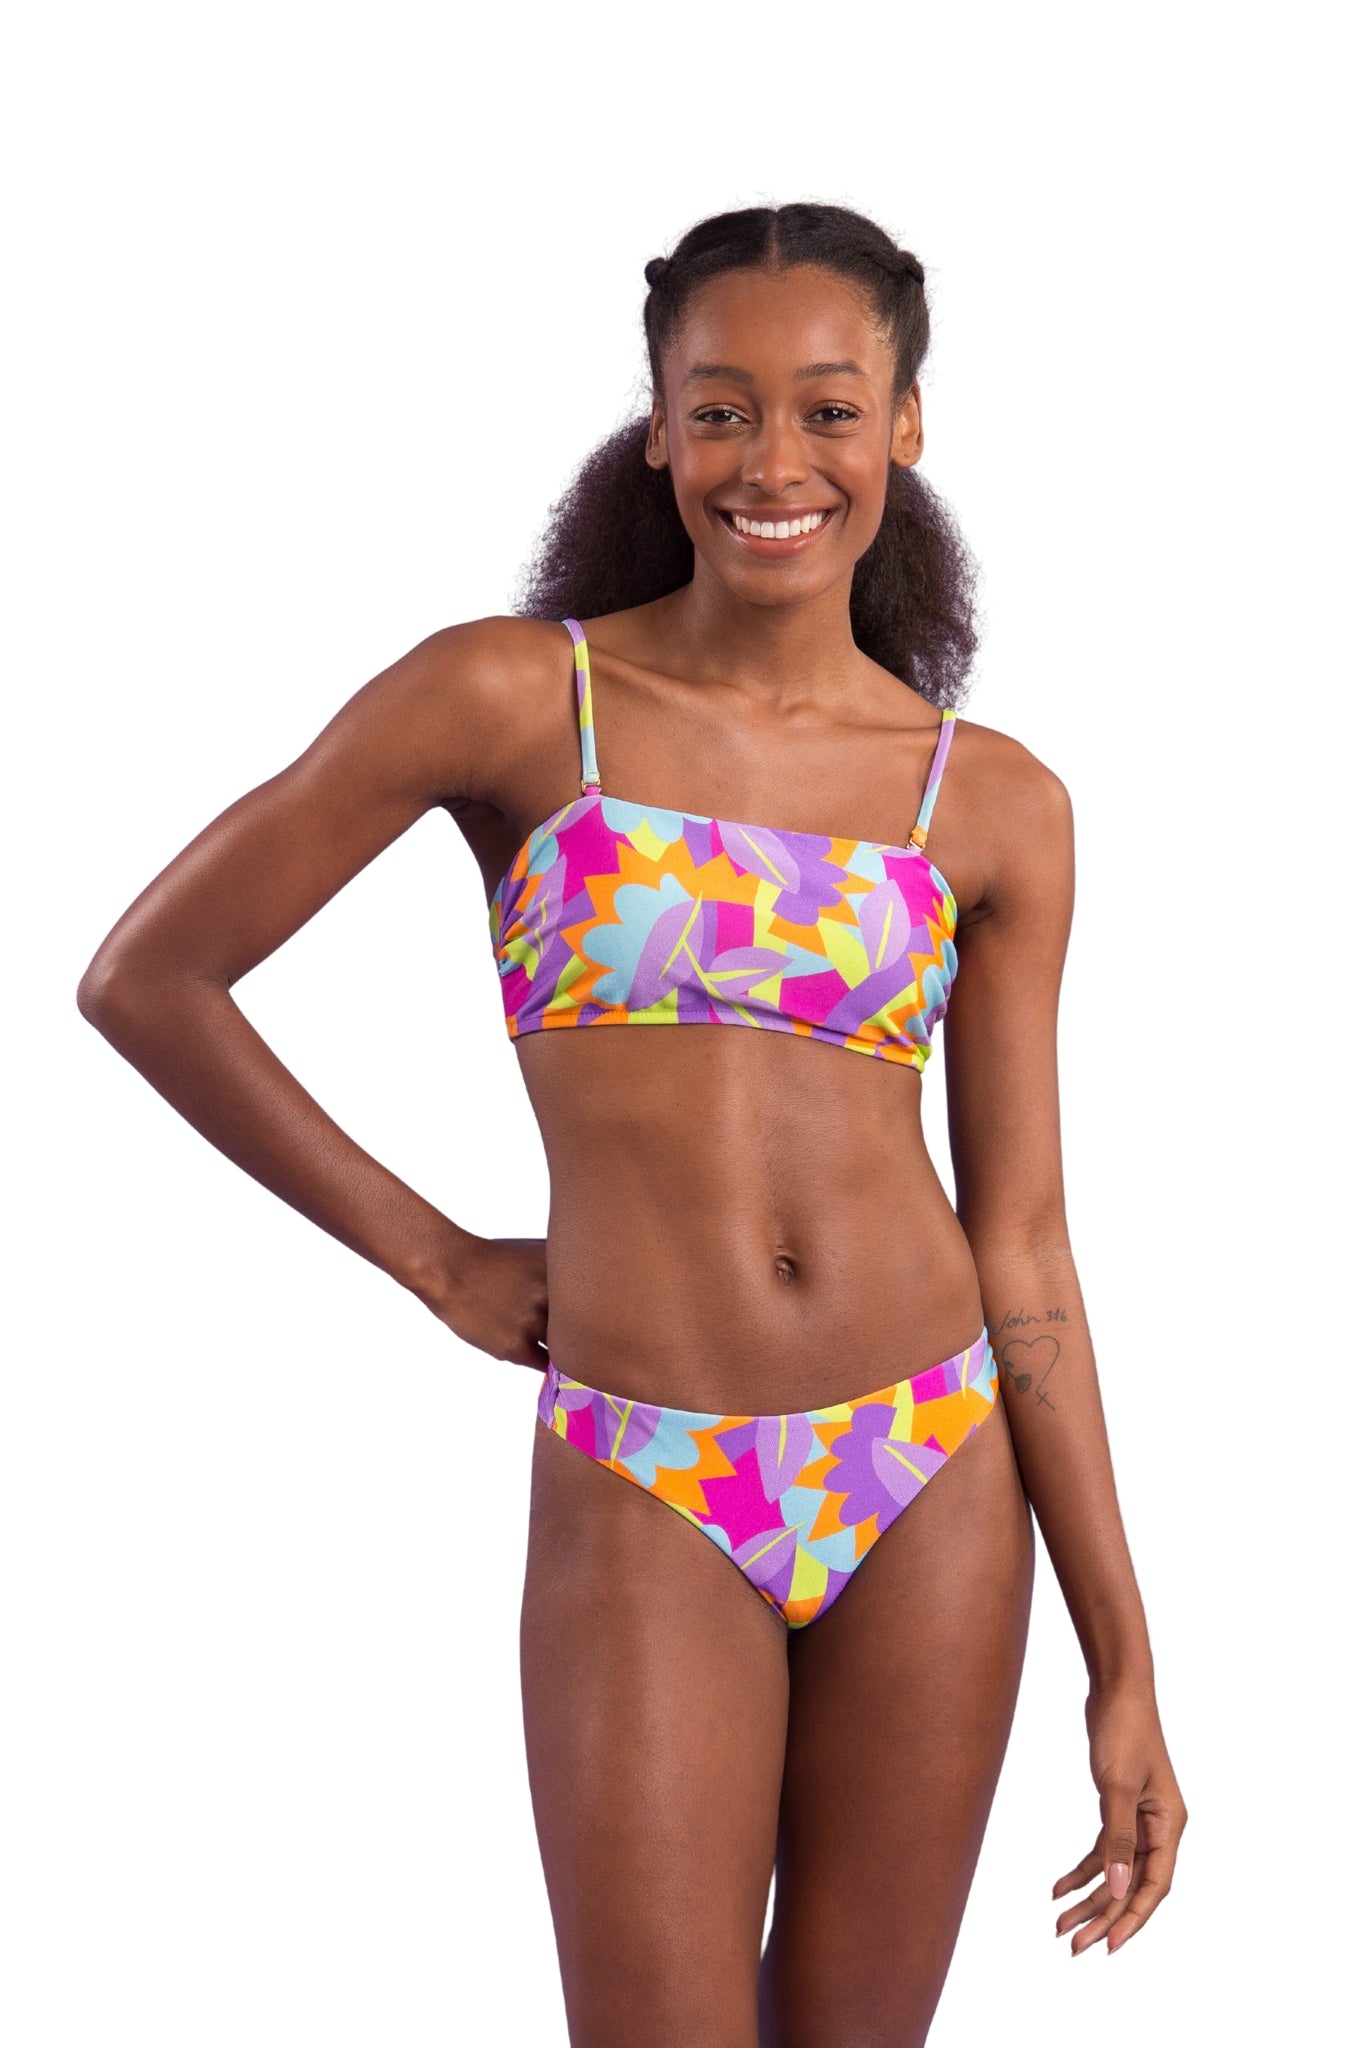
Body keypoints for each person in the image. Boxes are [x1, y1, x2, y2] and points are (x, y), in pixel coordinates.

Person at [77, 201, 1186, 2045]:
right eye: (721, 408)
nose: (774, 462)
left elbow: (1023, 1246)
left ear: (904, 425)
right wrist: (435, 1259)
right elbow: (151, 978)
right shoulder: (516, 699)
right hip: (647, 1467)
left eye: (829, 410)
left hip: (933, 1464)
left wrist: (1122, 1656)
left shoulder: (988, 801)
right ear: (658, 425)